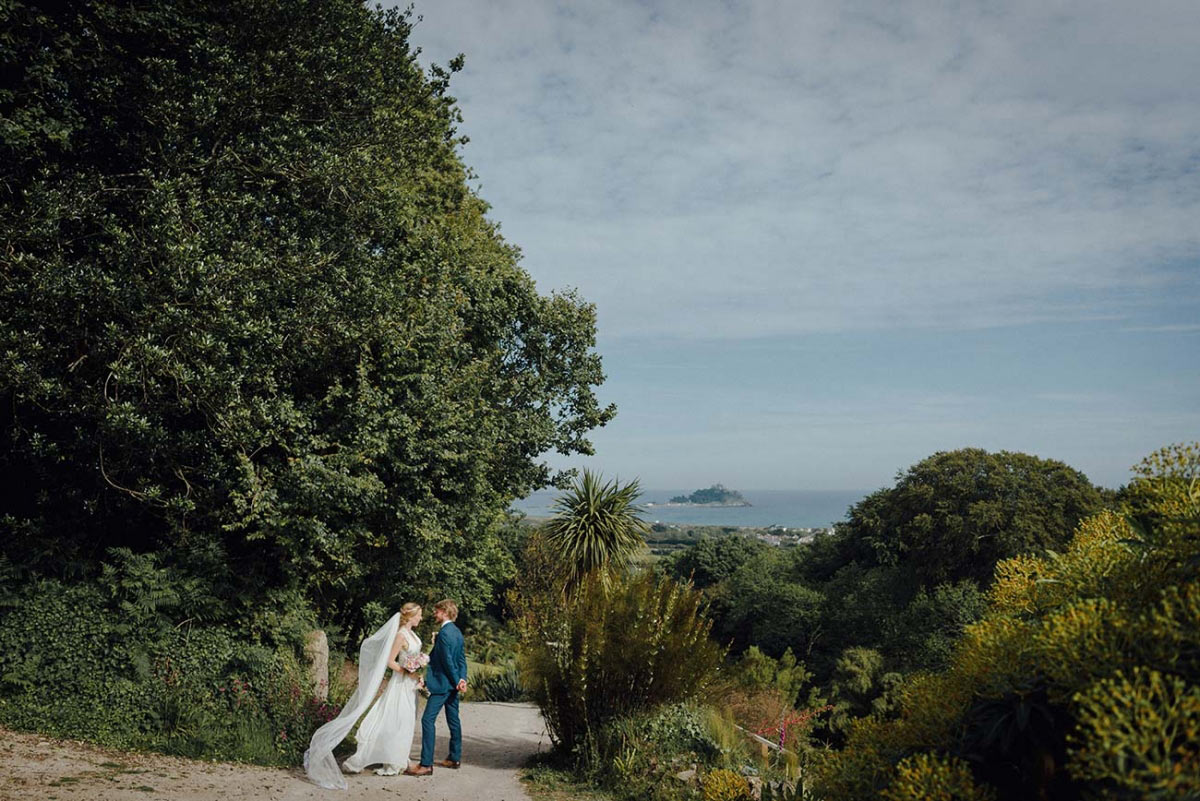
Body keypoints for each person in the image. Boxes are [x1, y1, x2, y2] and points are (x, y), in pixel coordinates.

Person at [304, 603, 425, 789]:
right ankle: (391, 760)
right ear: (411, 616)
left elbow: (414, 658)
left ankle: (399, 757)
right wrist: (406, 670)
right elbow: (389, 661)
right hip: (400, 683)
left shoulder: (413, 635)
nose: (421, 618)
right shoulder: (401, 635)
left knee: (406, 720)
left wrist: (418, 672)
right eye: (419, 615)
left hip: (410, 685)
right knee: (397, 719)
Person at [405, 598, 468, 775]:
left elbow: (448, 661)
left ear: (445, 612)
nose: (435, 613)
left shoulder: (446, 633)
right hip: (453, 685)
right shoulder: (457, 632)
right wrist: (462, 679)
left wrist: (456, 680)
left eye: (437, 611)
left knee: (427, 720)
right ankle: (454, 758)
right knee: (453, 720)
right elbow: (461, 659)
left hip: (443, 684)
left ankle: (425, 764)